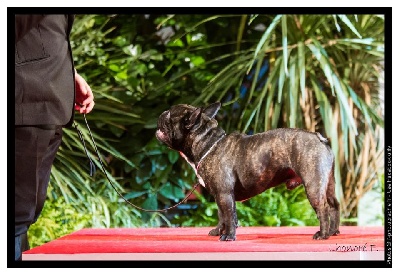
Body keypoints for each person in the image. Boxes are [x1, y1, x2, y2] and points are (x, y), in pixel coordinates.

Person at [14, 14, 95, 261]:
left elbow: (44, 34)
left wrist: (68, 74)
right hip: (24, 104)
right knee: (15, 213)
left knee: (25, 212)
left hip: (48, 102)